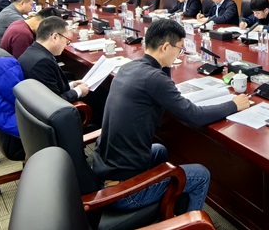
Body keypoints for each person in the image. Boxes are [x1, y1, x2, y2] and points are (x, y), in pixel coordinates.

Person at [92, 19, 250, 213]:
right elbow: (195, 115)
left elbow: (165, 85)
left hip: (106, 171)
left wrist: (164, 63)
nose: (179, 54)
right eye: (179, 49)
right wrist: (234, 104)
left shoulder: (130, 68)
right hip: (123, 192)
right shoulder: (154, 78)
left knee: (159, 150)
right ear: (166, 47)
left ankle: (166, 209)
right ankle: (190, 224)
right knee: (201, 174)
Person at [19, 16, 89, 103]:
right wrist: (78, 91)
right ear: (55, 37)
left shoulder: (32, 51)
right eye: (66, 40)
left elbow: (51, 87)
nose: (66, 45)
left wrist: (71, 85)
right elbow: (54, 102)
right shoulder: (42, 62)